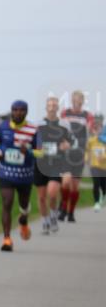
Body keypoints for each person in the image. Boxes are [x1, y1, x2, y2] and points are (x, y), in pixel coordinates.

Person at [0, 101, 38, 252]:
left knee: (24, 205)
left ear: (26, 112)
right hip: (6, 172)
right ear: (11, 111)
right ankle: (7, 239)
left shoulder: (33, 130)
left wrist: (29, 152)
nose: (18, 113)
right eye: (15, 110)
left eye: (21, 110)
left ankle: (23, 219)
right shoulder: (3, 127)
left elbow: (41, 151)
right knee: (7, 202)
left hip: (25, 175)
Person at [33, 96, 73, 234]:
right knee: (41, 197)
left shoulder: (64, 125)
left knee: (52, 193)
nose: (52, 108)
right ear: (46, 108)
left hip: (56, 163)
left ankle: (53, 214)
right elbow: (32, 141)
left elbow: (72, 141)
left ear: (57, 108)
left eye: (54, 105)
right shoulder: (38, 124)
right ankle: (45, 221)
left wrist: (68, 144)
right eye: (49, 105)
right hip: (40, 164)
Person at [60, 91, 95, 222]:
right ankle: (63, 207)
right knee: (65, 182)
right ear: (72, 100)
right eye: (75, 100)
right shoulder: (65, 113)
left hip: (79, 154)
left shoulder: (87, 115)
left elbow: (90, 130)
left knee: (74, 186)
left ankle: (71, 212)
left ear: (82, 102)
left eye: (79, 100)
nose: (77, 103)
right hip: (67, 153)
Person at [87, 119, 106, 211]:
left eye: (98, 129)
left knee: (103, 185)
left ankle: (104, 195)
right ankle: (96, 202)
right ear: (93, 130)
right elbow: (87, 151)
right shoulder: (91, 141)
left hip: (104, 167)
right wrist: (86, 158)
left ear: (102, 129)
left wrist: (104, 157)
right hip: (94, 166)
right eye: (95, 129)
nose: (97, 131)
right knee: (96, 183)